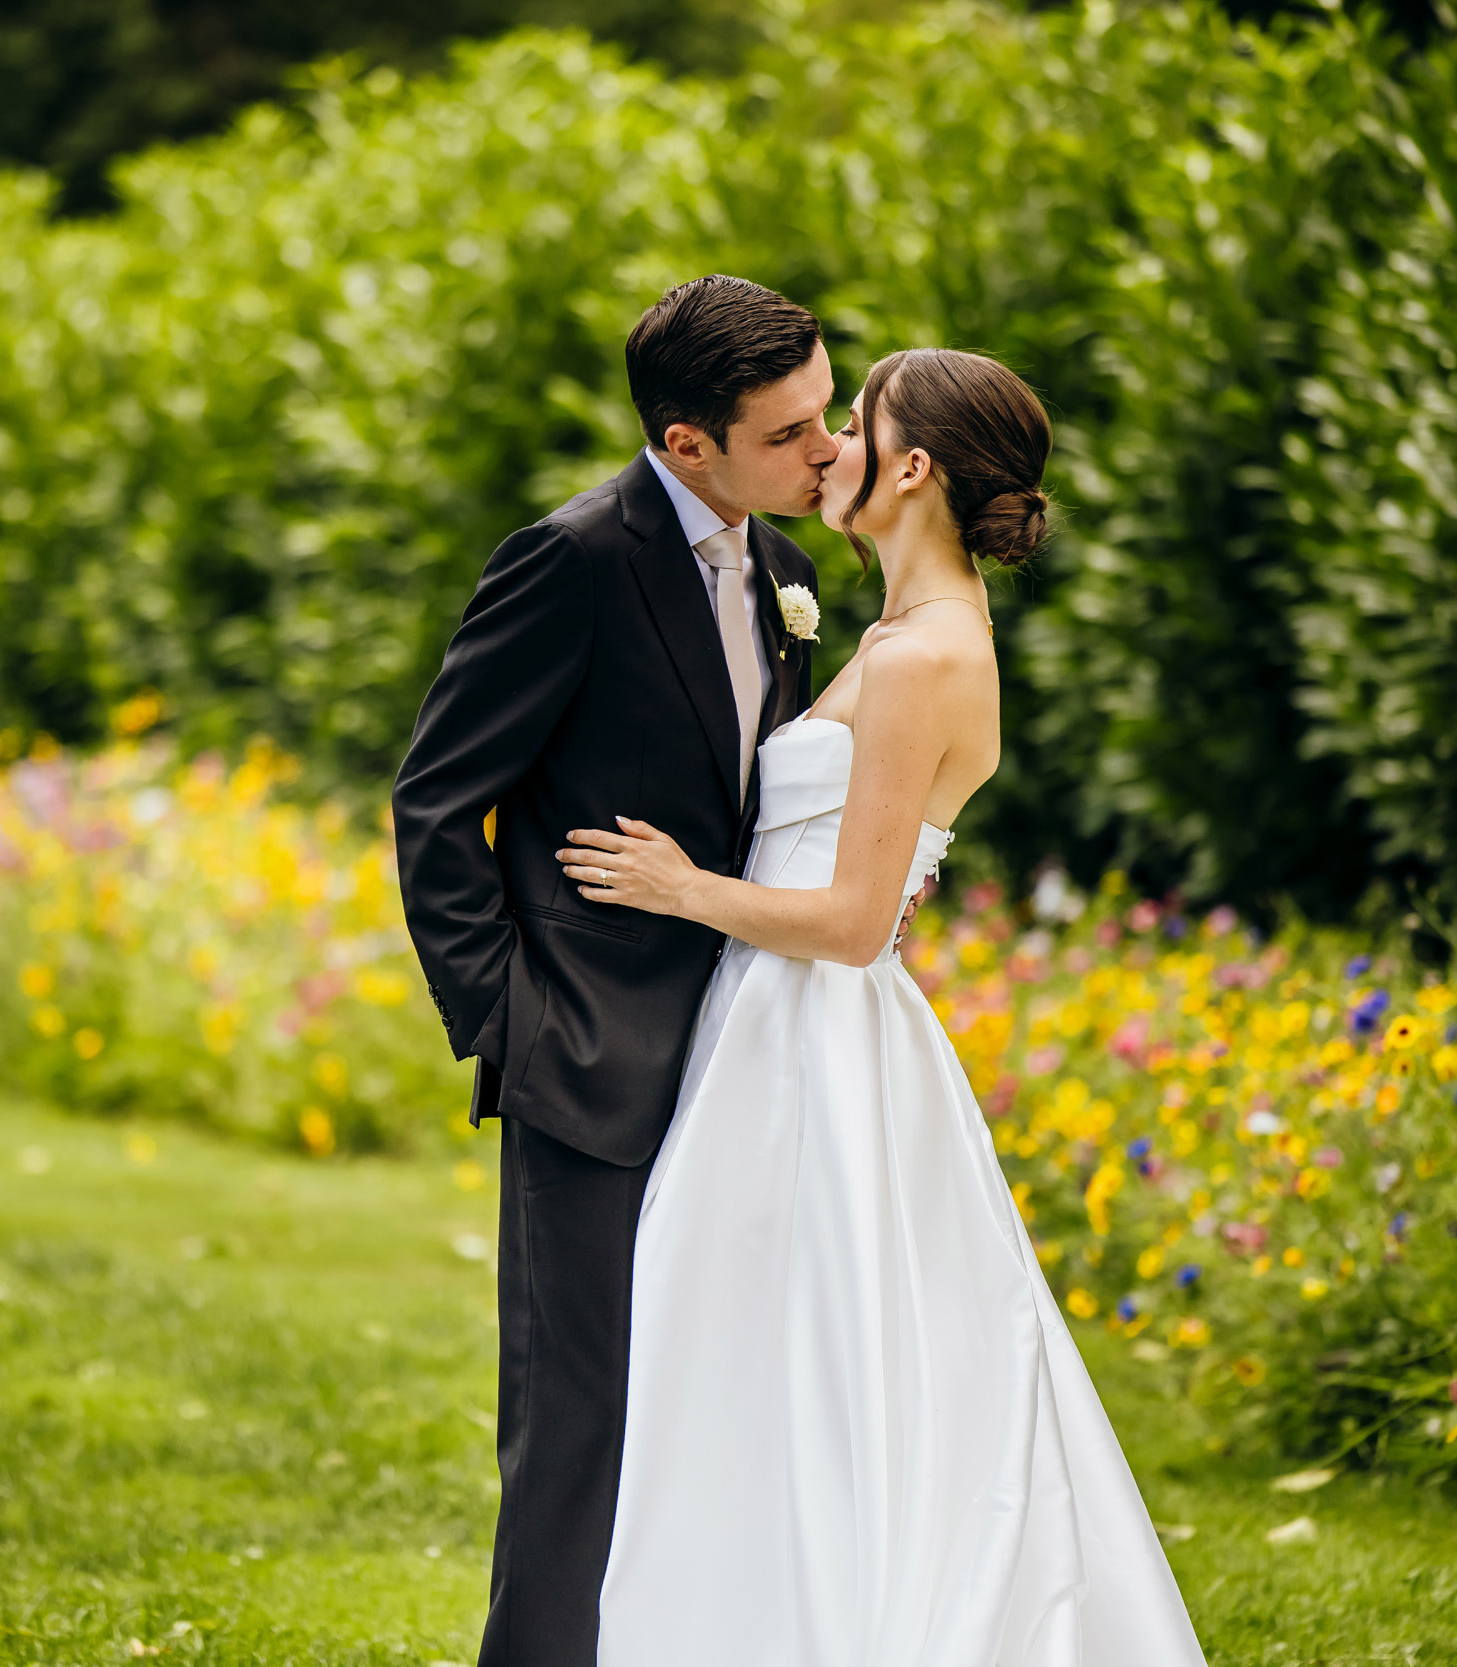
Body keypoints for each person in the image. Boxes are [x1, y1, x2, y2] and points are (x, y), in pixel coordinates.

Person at [568, 349, 1213, 1664]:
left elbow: (858, 927)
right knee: (749, 1360)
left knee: (806, 1360)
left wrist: (681, 888)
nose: (829, 447)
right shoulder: (896, 637)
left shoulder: (929, 660)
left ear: (911, 467)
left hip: (818, 1051)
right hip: (773, 1034)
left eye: (853, 426)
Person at [393, 275, 929, 1667]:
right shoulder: (570, 561)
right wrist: (509, 1020)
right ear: (686, 445)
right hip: (593, 1061)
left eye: (829, 415)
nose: (829, 454)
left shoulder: (794, 575)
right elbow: (437, 803)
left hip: (761, 1053)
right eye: (790, 435)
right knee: (582, 1423)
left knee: (726, 1413)